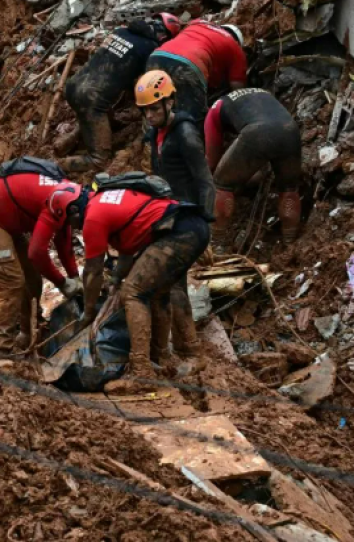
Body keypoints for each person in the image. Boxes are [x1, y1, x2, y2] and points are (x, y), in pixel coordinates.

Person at [65, 178, 210, 392]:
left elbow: (93, 270)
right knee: (160, 291)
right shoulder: (104, 201)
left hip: (177, 232)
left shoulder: (92, 218)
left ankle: (141, 373)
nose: (72, 228)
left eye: (69, 223)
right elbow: (127, 251)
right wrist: (115, 280)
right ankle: (171, 356)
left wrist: (88, 312)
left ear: (74, 211)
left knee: (133, 292)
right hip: (192, 225)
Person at [137, 70, 215, 368]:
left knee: (174, 284)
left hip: (188, 220)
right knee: (170, 283)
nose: (150, 115)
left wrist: (205, 226)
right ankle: (177, 349)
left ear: (170, 102)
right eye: (145, 110)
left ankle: (190, 352)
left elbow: (205, 181)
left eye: (155, 109)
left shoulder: (185, 134)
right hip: (169, 218)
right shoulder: (156, 134)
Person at [0, 171, 84, 353]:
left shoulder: (69, 197)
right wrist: (62, 283)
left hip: (4, 219)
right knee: (10, 283)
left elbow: (63, 240)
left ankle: (30, 333)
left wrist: (75, 277)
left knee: (32, 276)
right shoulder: (57, 201)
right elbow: (37, 252)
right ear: (75, 211)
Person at [57, 13, 182, 172]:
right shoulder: (150, 48)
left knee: (97, 107)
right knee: (99, 161)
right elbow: (146, 85)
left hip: (73, 84)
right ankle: (56, 165)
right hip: (91, 100)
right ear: (164, 37)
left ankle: (71, 139)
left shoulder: (120, 31)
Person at [205, 88, 303, 243]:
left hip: (257, 132)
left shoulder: (214, 110)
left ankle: (216, 243)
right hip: (291, 131)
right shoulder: (262, 94)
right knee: (289, 189)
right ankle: (290, 240)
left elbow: (211, 160)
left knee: (221, 184)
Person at [147, 21, 247, 121]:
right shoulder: (235, 47)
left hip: (156, 57)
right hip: (187, 64)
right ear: (237, 41)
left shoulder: (197, 24)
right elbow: (238, 89)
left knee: (154, 106)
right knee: (194, 118)